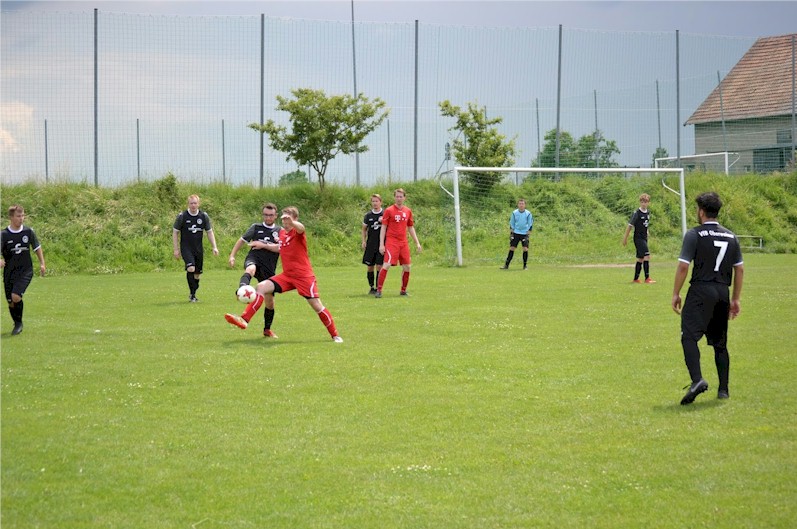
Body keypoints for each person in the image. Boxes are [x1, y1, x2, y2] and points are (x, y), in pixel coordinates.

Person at [225, 207, 343, 343]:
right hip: (287, 276)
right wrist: (264, 245)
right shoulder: (282, 233)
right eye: (283, 219)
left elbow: (301, 228)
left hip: (303, 277)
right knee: (261, 287)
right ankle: (244, 319)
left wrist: (293, 223)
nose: (285, 222)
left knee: (317, 306)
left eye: (288, 219)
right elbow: (279, 247)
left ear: (295, 219)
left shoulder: (297, 232)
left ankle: (335, 335)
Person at [672, 191, 744, 405]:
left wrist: (676, 293)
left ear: (701, 211)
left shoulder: (694, 234)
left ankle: (697, 380)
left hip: (700, 291)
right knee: (720, 343)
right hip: (722, 292)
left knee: (688, 336)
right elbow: (739, 269)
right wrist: (735, 299)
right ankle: (723, 390)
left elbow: (683, 266)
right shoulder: (731, 236)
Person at [228, 203, 282, 338]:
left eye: (271, 215)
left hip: (269, 266)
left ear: (275, 216)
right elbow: (241, 241)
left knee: (270, 302)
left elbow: (281, 248)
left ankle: (267, 330)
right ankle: (241, 289)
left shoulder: (280, 231)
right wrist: (232, 255)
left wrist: (264, 245)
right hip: (254, 258)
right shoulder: (256, 227)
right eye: (265, 215)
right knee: (251, 268)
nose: (268, 218)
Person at [1, 205, 46, 336]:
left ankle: (19, 324)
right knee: (11, 302)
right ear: (11, 217)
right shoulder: (3, 235)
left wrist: (42, 263)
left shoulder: (28, 232)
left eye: (22, 216)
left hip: (25, 270)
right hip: (9, 272)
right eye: (18, 216)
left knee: (15, 296)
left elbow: (37, 247)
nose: (21, 218)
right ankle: (16, 322)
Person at [375, 188, 422, 298]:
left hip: (403, 242)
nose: (399, 198)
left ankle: (403, 290)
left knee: (407, 267)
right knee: (386, 264)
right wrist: (381, 244)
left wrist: (417, 243)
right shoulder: (389, 210)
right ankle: (379, 290)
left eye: (401, 196)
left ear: (404, 198)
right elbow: (383, 227)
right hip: (392, 242)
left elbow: (410, 227)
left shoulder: (408, 211)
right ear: (394, 197)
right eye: (397, 196)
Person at [172, 194, 219, 302]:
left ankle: (193, 292)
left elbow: (209, 232)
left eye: (195, 203)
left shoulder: (203, 216)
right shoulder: (182, 216)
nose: (193, 205)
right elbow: (175, 232)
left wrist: (214, 247)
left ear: (198, 204)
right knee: (191, 268)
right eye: (191, 203)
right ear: (188, 204)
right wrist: (176, 249)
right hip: (186, 248)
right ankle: (192, 295)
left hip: (198, 249)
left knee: (197, 274)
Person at [622, 193, 655, 283]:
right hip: (638, 238)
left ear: (648, 203)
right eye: (642, 202)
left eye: (645, 202)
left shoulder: (647, 212)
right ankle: (647, 278)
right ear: (640, 202)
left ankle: (635, 279)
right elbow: (630, 226)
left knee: (640, 258)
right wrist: (625, 238)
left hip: (644, 238)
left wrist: (647, 231)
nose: (644, 204)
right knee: (647, 255)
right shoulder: (637, 213)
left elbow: (645, 224)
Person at [361, 194, 384, 295]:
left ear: (380, 202)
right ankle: (371, 287)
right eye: (373, 201)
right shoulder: (368, 216)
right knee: (370, 266)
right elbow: (364, 229)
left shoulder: (385, 214)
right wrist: (363, 241)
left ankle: (378, 288)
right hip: (370, 244)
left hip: (381, 244)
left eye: (376, 201)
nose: (375, 203)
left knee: (379, 266)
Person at [501, 198, 533, 270]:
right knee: (512, 248)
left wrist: (528, 232)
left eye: (522, 204)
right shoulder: (514, 213)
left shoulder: (528, 213)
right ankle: (506, 265)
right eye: (520, 204)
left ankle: (525, 266)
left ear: (525, 205)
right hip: (516, 232)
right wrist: (512, 232)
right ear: (518, 205)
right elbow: (512, 222)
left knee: (525, 248)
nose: (521, 205)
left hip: (524, 233)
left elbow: (530, 223)